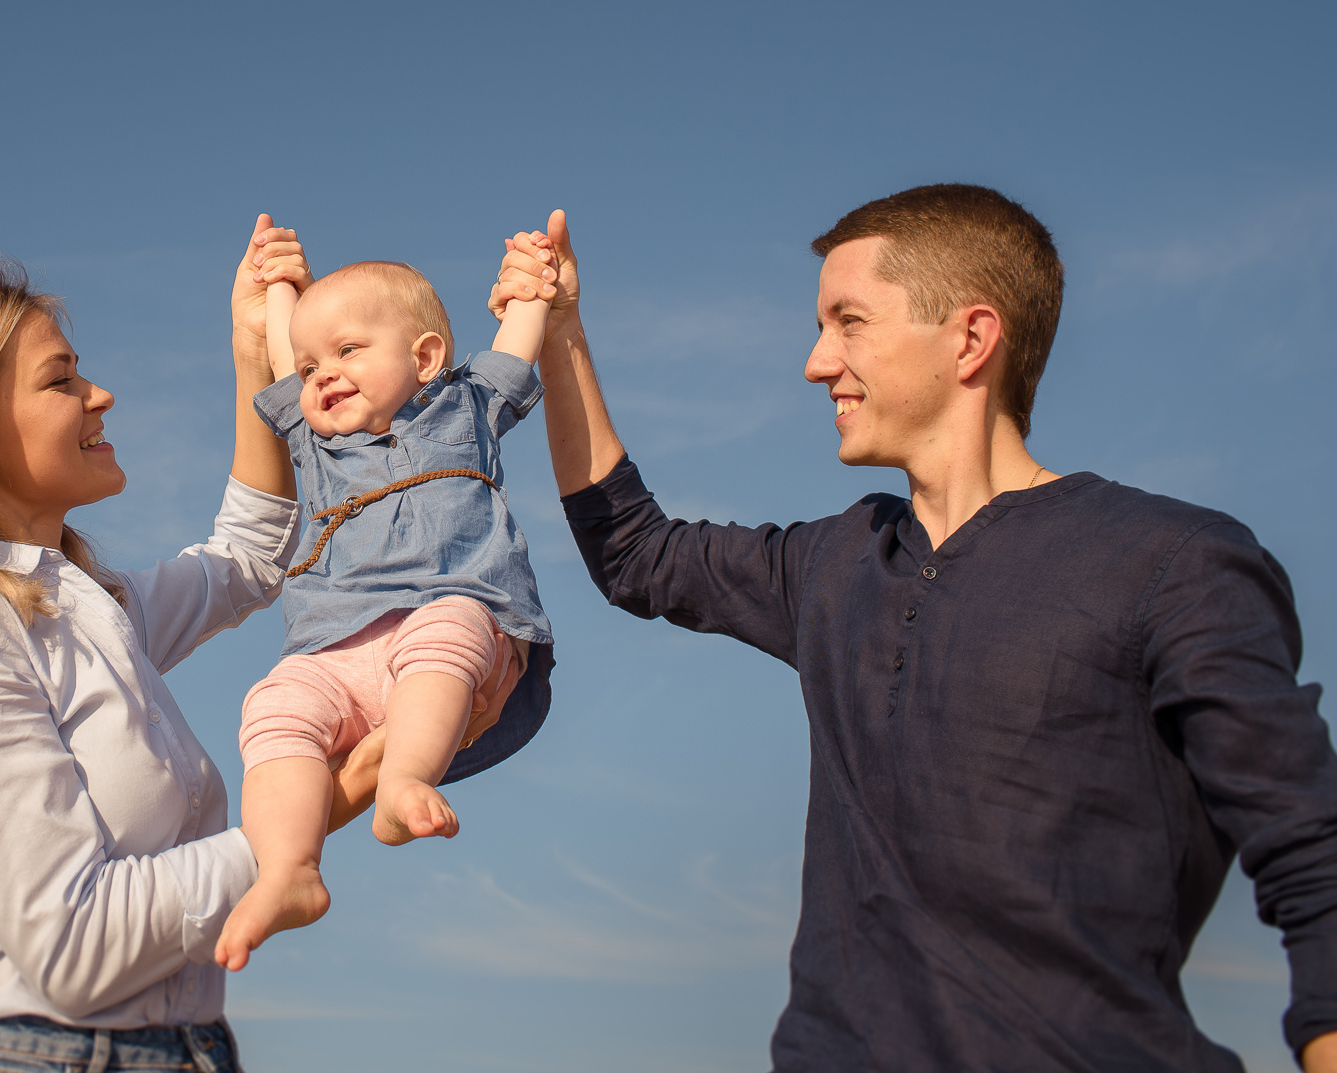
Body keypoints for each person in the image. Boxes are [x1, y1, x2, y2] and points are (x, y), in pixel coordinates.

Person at [491, 188, 1337, 1072]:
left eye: (848, 321)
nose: (818, 362)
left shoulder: (1174, 561)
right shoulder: (834, 562)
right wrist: (560, 333)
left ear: (971, 338)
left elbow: (1310, 850)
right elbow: (636, 551)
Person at [0, 219, 513, 1073]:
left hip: (175, 1049)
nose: (99, 393)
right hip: (30, 1056)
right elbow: (74, 944)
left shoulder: (87, 607)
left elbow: (252, 558)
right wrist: (316, 815)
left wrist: (252, 359)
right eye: (61, 379)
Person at [214, 249, 556, 971]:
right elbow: (285, 348)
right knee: (274, 704)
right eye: (310, 369)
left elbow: (519, 339)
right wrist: (278, 287)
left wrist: (533, 284)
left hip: (451, 617)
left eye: (347, 351)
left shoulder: (466, 405)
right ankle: (288, 868)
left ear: (426, 356)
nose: (322, 373)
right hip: (334, 646)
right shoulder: (313, 441)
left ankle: (404, 780)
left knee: (446, 630)